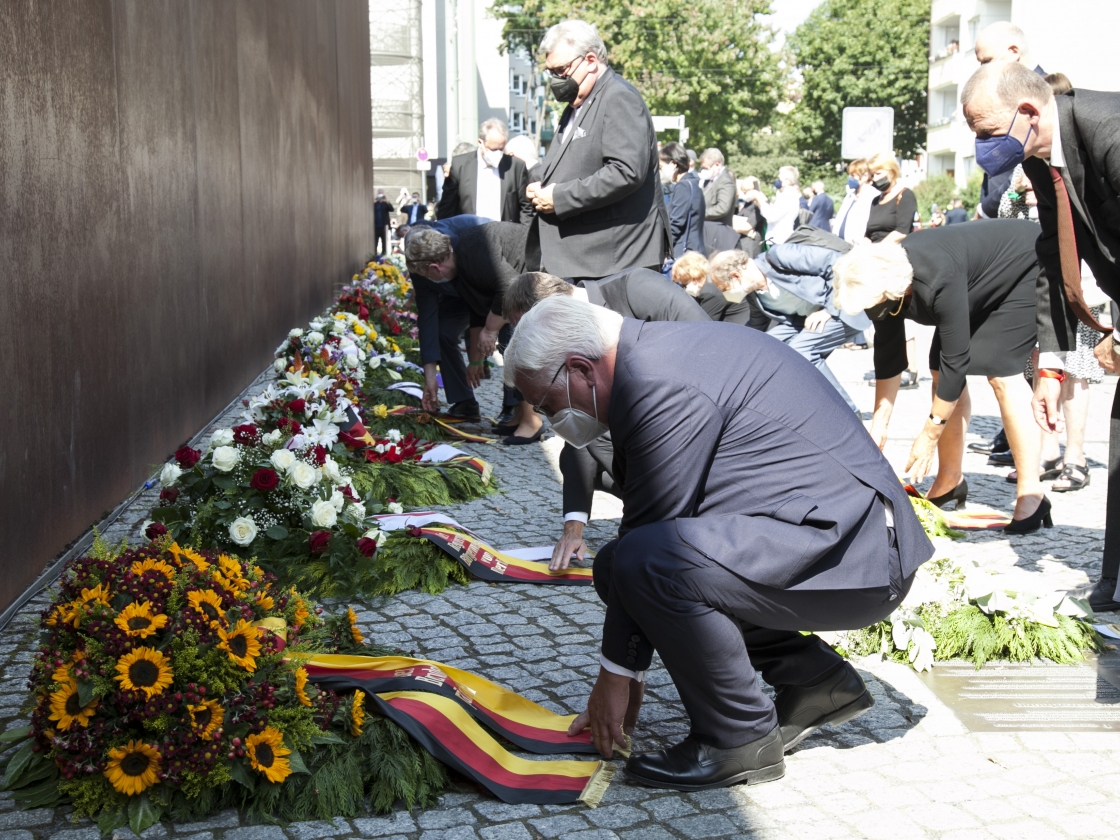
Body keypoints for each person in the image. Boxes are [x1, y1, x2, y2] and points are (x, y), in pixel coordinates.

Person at [502, 295, 933, 788]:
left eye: (549, 404)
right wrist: (627, 664)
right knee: (621, 562)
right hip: (825, 537)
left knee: (644, 560)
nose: (552, 420)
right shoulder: (655, 357)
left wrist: (616, 675)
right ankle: (813, 681)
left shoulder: (657, 382)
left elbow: (650, 539)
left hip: (856, 557)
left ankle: (739, 739)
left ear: (580, 368)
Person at [962, 61, 1120, 607]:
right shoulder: (1038, 160)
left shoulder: (1111, 130)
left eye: (986, 132)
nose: (982, 148)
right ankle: (1117, 580)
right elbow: (1055, 259)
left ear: (1029, 112)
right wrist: (1050, 366)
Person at [833, 220, 1048, 530]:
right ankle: (950, 479)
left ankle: (1032, 492)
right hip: (972, 280)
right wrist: (880, 422)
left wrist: (929, 435)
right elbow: (889, 351)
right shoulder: (878, 285)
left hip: (1024, 266)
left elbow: (957, 360)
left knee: (1003, 373)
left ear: (891, 290)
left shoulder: (936, 279)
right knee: (938, 371)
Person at [503, 270, 709, 567]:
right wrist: (572, 528)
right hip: (637, 443)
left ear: (554, 312)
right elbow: (580, 438)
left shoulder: (639, 291)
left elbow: (711, 347)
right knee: (579, 446)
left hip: (693, 427)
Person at [526, 20, 669, 280]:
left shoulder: (618, 96)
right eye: (551, 72)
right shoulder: (577, 105)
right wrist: (540, 183)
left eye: (562, 70)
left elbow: (626, 172)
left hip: (615, 262)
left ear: (591, 60)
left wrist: (559, 197)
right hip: (588, 260)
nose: (557, 80)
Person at [404, 223, 543, 443]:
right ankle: (520, 415)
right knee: (511, 338)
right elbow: (479, 306)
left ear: (434, 268)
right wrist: (476, 358)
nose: (425, 281)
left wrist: (490, 330)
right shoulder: (458, 262)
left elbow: (509, 286)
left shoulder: (472, 252)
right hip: (516, 285)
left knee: (516, 340)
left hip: (534, 269)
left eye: (424, 275)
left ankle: (532, 420)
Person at [711, 239, 871, 414]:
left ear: (735, 275)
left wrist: (828, 309)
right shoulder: (754, 294)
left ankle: (848, 412)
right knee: (769, 346)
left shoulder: (779, 256)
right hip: (804, 320)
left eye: (724, 288)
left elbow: (836, 263)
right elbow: (757, 327)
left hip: (841, 308)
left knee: (801, 350)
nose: (726, 294)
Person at [972, 22, 1045, 219]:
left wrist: (984, 210)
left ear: (1014, 52)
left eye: (987, 62)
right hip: (1002, 213)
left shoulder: (1047, 96)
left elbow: (1025, 169)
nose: (981, 71)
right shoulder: (1007, 94)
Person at [437, 119, 533, 224]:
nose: (497, 154)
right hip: (468, 234)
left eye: (501, 149)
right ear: (480, 143)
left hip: (505, 236)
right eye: (493, 150)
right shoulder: (460, 165)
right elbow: (447, 208)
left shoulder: (515, 167)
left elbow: (526, 209)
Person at [670, 251, 763, 327]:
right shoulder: (711, 284)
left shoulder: (709, 292)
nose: (684, 287)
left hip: (742, 328)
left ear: (694, 278)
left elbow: (702, 324)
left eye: (685, 283)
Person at [659, 142, 705, 258]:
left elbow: (676, 224)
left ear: (673, 164)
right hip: (693, 252)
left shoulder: (683, 186)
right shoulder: (692, 183)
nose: (661, 171)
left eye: (661, 167)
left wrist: (663, 251)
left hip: (684, 254)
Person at [863, 153, 916, 244]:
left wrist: (877, 249)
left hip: (894, 253)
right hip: (872, 254)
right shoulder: (875, 201)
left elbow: (902, 232)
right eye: (872, 175)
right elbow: (868, 234)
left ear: (891, 173)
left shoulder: (905, 195)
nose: (875, 179)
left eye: (878, 173)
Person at [833, 160, 878, 244]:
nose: (850, 179)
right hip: (840, 243)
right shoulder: (850, 195)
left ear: (865, 176)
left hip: (856, 246)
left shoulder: (873, 196)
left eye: (853, 175)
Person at [756, 166, 804, 245]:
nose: (778, 181)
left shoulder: (788, 195)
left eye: (779, 178)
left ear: (787, 181)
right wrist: (764, 199)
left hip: (779, 239)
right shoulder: (787, 194)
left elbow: (772, 216)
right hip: (779, 239)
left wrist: (759, 200)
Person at [699, 148, 736, 227]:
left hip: (718, 231)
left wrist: (699, 213)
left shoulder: (726, 181)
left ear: (717, 164)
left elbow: (722, 208)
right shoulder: (708, 180)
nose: (703, 171)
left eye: (706, 168)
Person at [374, 190, 392, 256]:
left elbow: (391, 209)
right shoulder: (375, 204)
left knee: (384, 241)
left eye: (381, 193)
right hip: (376, 226)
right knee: (375, 242)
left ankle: (384, 254)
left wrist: (386, 201)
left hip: (384, 226)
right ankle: (375, 255)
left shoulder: (385, 204)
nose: (380, 194)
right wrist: (375, 199)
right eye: (379, 193)